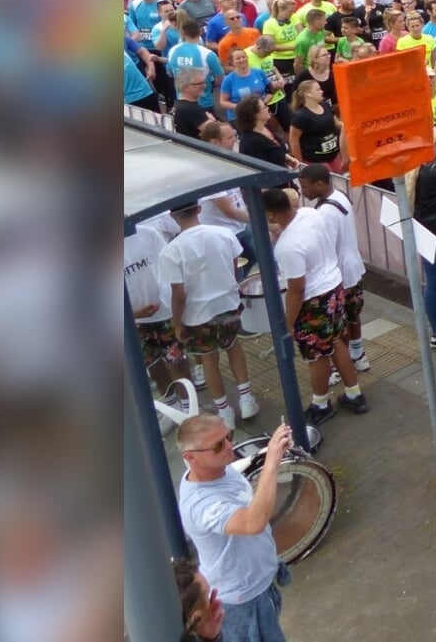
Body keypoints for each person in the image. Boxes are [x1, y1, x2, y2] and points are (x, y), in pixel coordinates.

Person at [176, 417, 295, 642]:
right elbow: (253, 522)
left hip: (258, 586)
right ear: (190, 457)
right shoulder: (201, 505)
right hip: (241, 602)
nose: (229, 446)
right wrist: (271, 462)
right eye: (218, 445)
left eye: (228, 436)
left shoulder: (216, 468)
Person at [262, 187, 365, 421]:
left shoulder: (287, 248)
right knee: (336, 340)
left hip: (314, 300)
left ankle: (320, 404)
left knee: (316, 355)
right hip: (335, 286)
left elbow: (296, 289)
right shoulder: (310, 214)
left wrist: (287, 323)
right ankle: (353, 393)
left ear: (270, 216)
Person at [158, 202, 255, 431]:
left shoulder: (171, 251)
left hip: (197, 313)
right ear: (198, 209)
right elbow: (234, 268)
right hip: (227, 303)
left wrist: (176, 322)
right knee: (233, 346)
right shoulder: (223, 234)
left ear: (173, 216)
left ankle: (224, 411)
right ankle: (246, 398)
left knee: (209, 359)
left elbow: (178, 294)